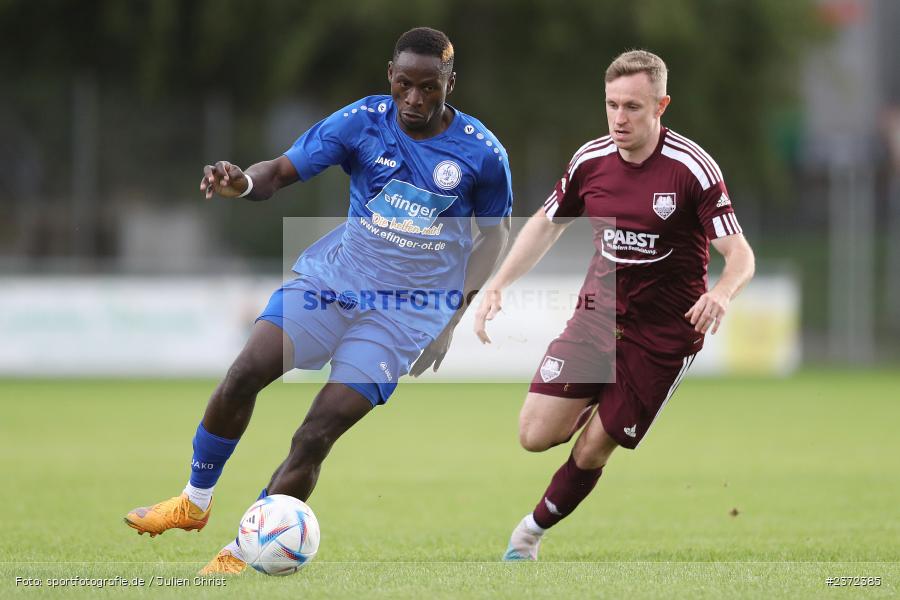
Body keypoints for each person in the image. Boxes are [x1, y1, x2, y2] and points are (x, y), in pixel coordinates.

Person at [123, 27, 512, 574]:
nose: (416, 99)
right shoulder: (361, 122)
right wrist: (243, 183)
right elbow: (279, 172)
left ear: (452, 82)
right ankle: (193, 500)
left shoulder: (482, 154)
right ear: (390, 76)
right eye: (405, 85)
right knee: (245, 371)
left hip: (404, 317)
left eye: (430, 87)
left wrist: (449, 321)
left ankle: (243, 551)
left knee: (315, 433)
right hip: (335, 281)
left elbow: (493, 238)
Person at [473, 50, 755, 561]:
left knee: (593, 449)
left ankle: (528, 535)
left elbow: (740, 253)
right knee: (534, 435)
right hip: (596, 317)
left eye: (632, 107)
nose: (619, 119)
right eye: (611, 106)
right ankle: (597, 404)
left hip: (663, 337)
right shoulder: (591, 160)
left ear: (661, 106)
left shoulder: (692, 169)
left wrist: (721, 293)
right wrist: (499, 283)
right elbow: (547, 221)